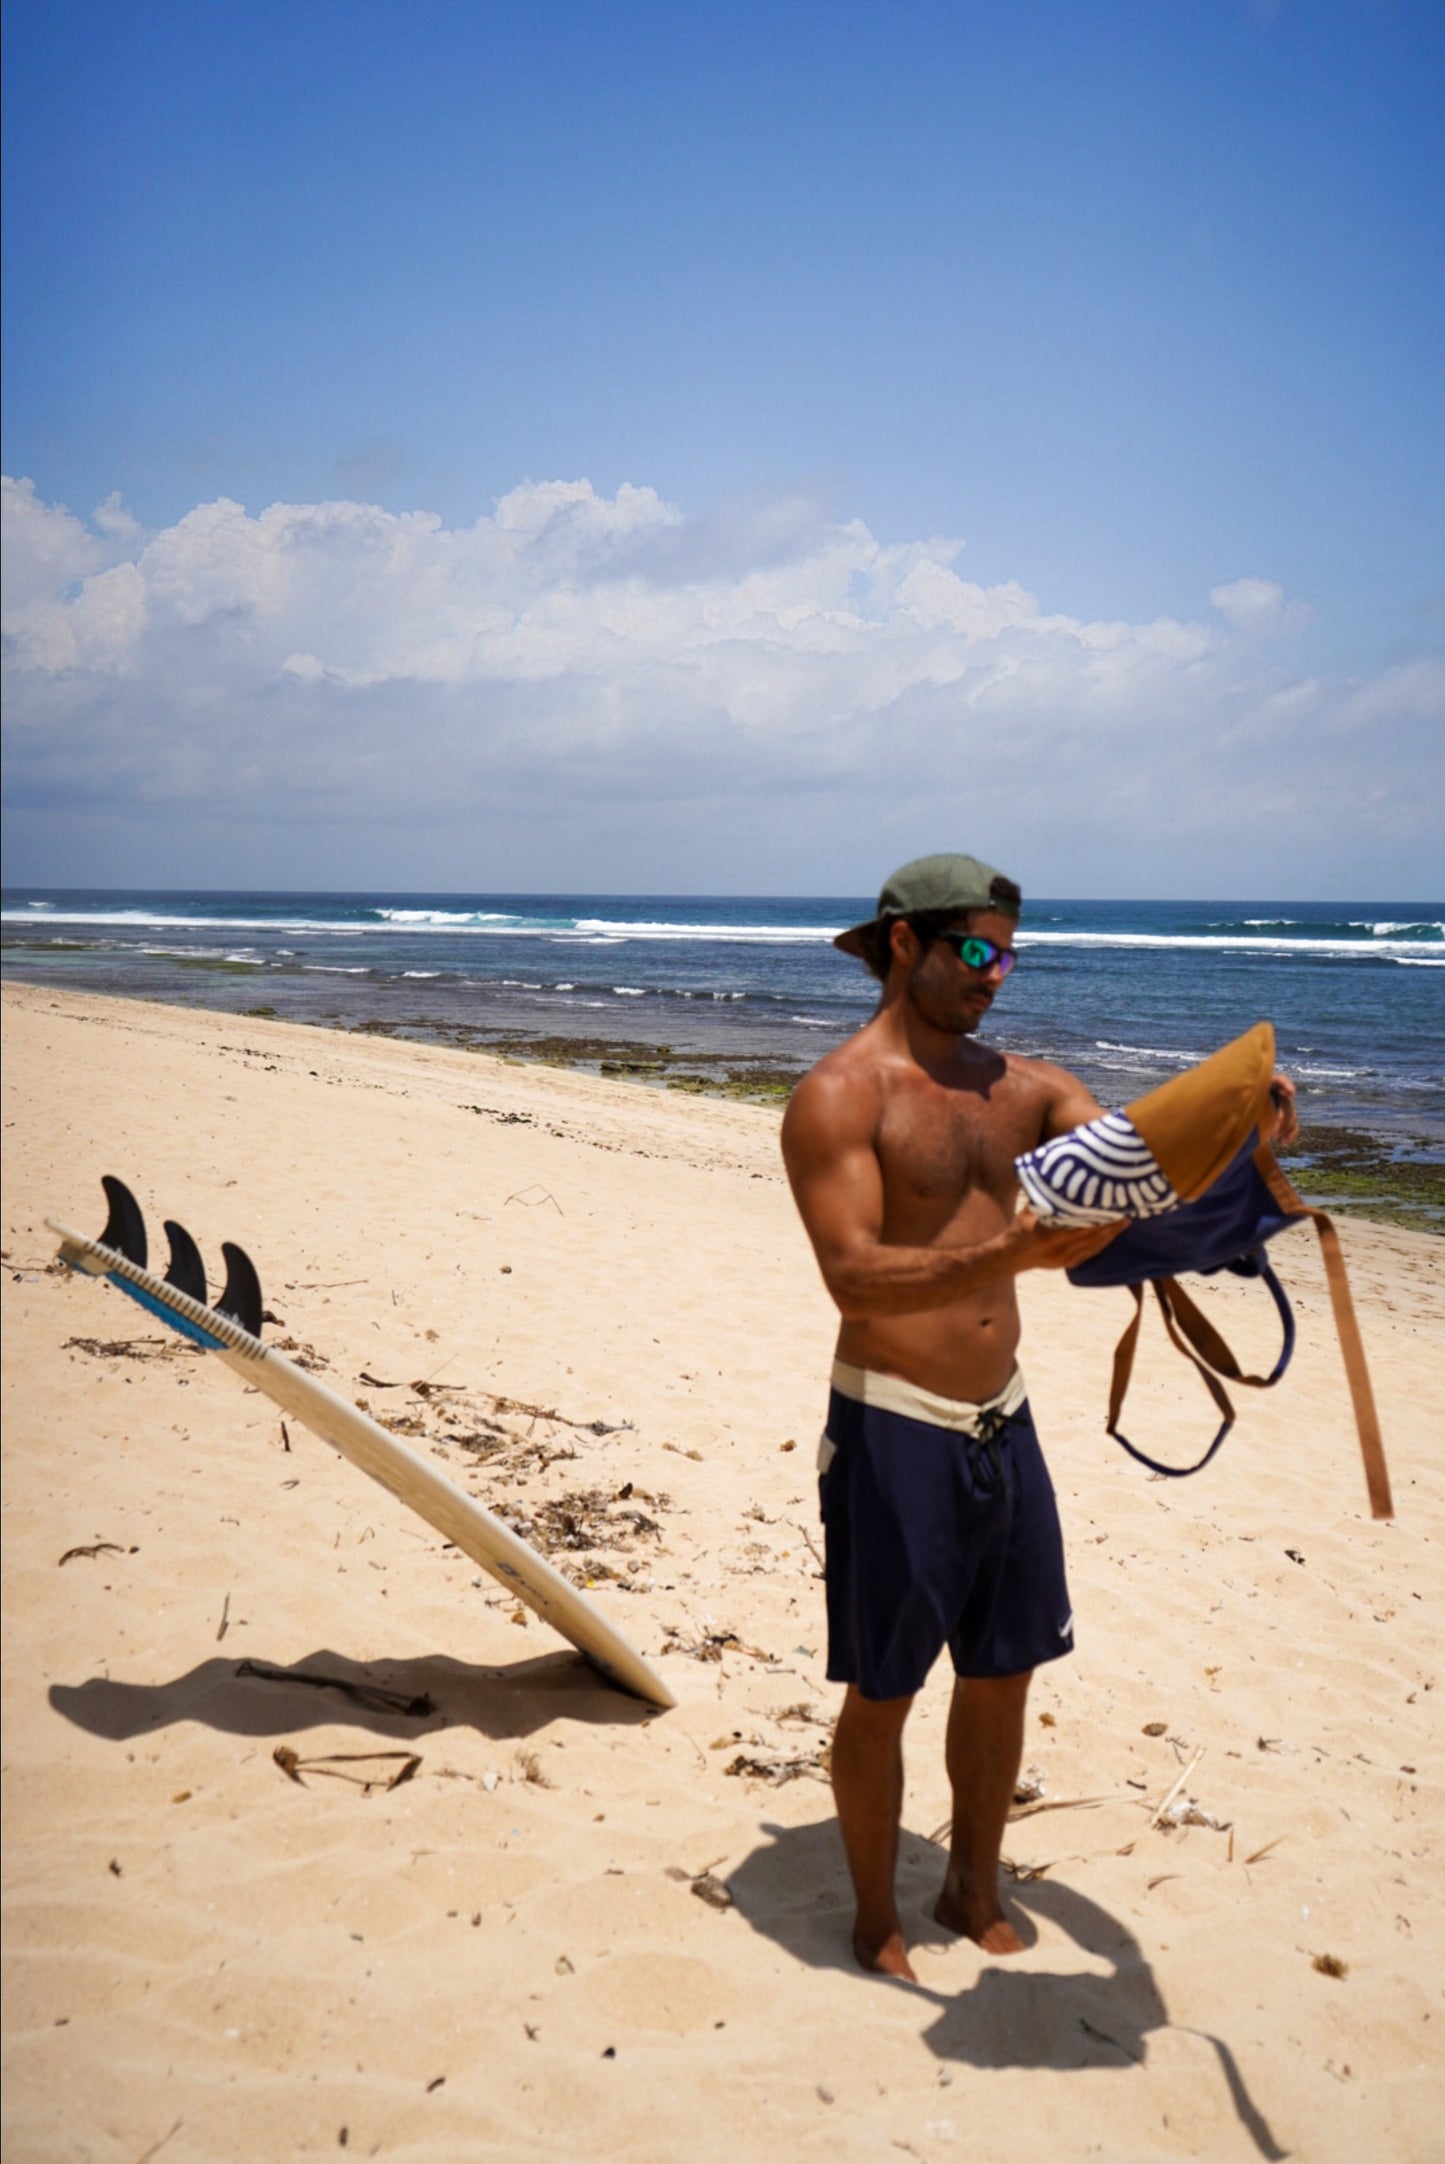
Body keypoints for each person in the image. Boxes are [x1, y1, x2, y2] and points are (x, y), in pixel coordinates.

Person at [781, 853, 1292, 1982]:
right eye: (975, 950)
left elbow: (1143, 1173)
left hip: (1001, 1420)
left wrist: (1247, 1141)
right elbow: (853, 1278)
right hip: (892, 1421)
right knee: (883, 1685)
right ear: (903, 945)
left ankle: (971, 1883)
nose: (995, 975)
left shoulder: (1026, 1087)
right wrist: (1011, 1246)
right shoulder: (837, 1097)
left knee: (1004, 1667)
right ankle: (875, 1920)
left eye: (1008, 952)